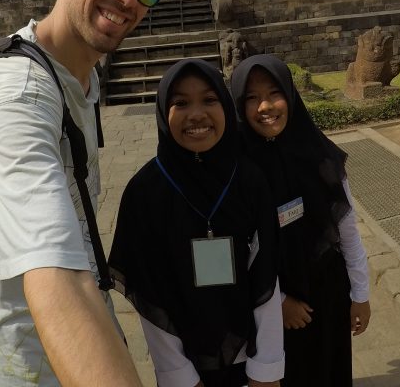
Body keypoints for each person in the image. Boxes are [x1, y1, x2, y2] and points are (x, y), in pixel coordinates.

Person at [0, 0, 161, 387]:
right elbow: (56, 275)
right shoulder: (14, 95)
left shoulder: (81, 76)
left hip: (79, 328)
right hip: (21, 358)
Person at [109, 59, 284, 387]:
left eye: (209, 100)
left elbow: (266, 274)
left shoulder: (248, 179)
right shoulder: (145, 193)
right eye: (180, 103)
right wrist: (182, 376)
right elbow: (150, 293)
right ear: (163, 111)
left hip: (248, 353)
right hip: (182, 358)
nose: (196, 115)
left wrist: (266, 368)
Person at [230, 55, 371, 387]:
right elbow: (236, 251)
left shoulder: (320, 155)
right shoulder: (238, 171)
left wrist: (360, 294)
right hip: (270, 303)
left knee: (331, 371)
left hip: (328, 291)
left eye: (274, 93)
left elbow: (347, 227)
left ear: (291, 96)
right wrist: (277, 302)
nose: (265, 106)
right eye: (251, 97)